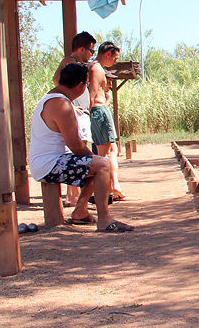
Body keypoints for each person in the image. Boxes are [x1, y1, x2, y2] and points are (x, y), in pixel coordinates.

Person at [29, 62, 133, 232]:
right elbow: (76, 145)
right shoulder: (61, 104)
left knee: (95, 165)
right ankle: (104, 220)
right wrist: (97, 161)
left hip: (46, 161)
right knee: (102, 165)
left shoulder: (52, 97)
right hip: (49, 164)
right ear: (80, 86)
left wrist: (93, 161)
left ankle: (80, 210)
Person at [53, 31, 96, 207]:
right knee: (78, 150)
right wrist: (70, 105)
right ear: (81, 49)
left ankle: (74, 194)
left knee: (79, 149)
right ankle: (73, 196)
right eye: (90, 51)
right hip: (76, 113)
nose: (91, 54)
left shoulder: (75, 62)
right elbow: (57, 81)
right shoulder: (69, 62)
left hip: (80, 112)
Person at [88, 41, 126, 201]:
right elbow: (91, 93)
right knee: (103, 155)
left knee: (110, 150)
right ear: (107, 54)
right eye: (114, 58)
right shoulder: (96, 68)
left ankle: (112, 186)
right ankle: (100, 191)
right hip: (98, 111)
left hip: (99, 110)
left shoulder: (96, 68)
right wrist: (86, 112)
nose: (115, 62)